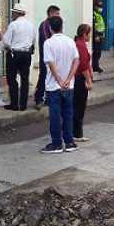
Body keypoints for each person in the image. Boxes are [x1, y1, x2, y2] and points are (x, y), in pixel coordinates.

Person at [41, 16, 79, 154]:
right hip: (69, 85)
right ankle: (69, 142)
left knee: (55, 115)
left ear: (50, 28)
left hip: (54, 86)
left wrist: (59, 80)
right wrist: (68, 79)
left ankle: (56, 143)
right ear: (62, 26)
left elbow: (50, 64)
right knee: (68, 114)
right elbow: (76, 61)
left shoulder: (48, 43)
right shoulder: (70, 41)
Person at [2, 3, 35, 111]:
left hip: (14, 54)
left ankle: (14, 104)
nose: (12, 14)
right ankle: (23, 105)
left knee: (12, 79)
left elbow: (6, 41)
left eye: (13, 12)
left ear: (16, 13)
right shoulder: (31, 25)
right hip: (26, 54)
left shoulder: (13, 25)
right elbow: (34, 40)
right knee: (25, 79)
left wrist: (8, 47)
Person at [34, 5, 61, 109]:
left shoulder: (55, 25)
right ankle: (38, 99)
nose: (59, 16)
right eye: (57, 13)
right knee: (43, 77)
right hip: (46, 57)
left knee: (50, 78)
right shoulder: (44, 25)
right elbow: (47, 40)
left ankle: (48, 99)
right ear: (50, 13)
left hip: (54, 58)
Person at [73, 24, 93, 143]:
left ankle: (75, 132)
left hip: (79, 78)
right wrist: (88, 80)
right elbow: (83, 65)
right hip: (80, 79)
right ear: (84, 34)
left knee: (78, 107)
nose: (90, 36)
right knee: (79, 107)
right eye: (89, 33)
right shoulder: (80, 45)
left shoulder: (80, 44)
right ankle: (77, 134)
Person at [92, 2, 106, 73]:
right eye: (99, 7)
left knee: (98, 53)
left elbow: (101, 26)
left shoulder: (99, 15)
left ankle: (96, 65)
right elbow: (94, 26)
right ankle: (95, 66)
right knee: (96, 52)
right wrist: (96, 36)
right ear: (95, 7)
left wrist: (102, 34)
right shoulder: (94, 15)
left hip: (100, 36)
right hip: (96, 36)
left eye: (101, 7)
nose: (100, 8)